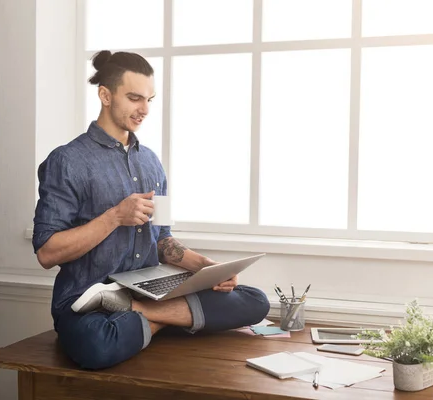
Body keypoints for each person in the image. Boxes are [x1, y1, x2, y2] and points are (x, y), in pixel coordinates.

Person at [32, 50, 270, 370]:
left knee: (255, 301)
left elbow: (162, 242)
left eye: (149, 99)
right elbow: (47, 253)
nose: (144, 109)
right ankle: (168, 321)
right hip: (88, 303)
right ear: (105, 95)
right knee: (97, 346)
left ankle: (143, 316)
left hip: (150, 294)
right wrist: (115, 216)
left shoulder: (150, 162)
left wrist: (207, 267)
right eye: (134, 98)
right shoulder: (67, 161)